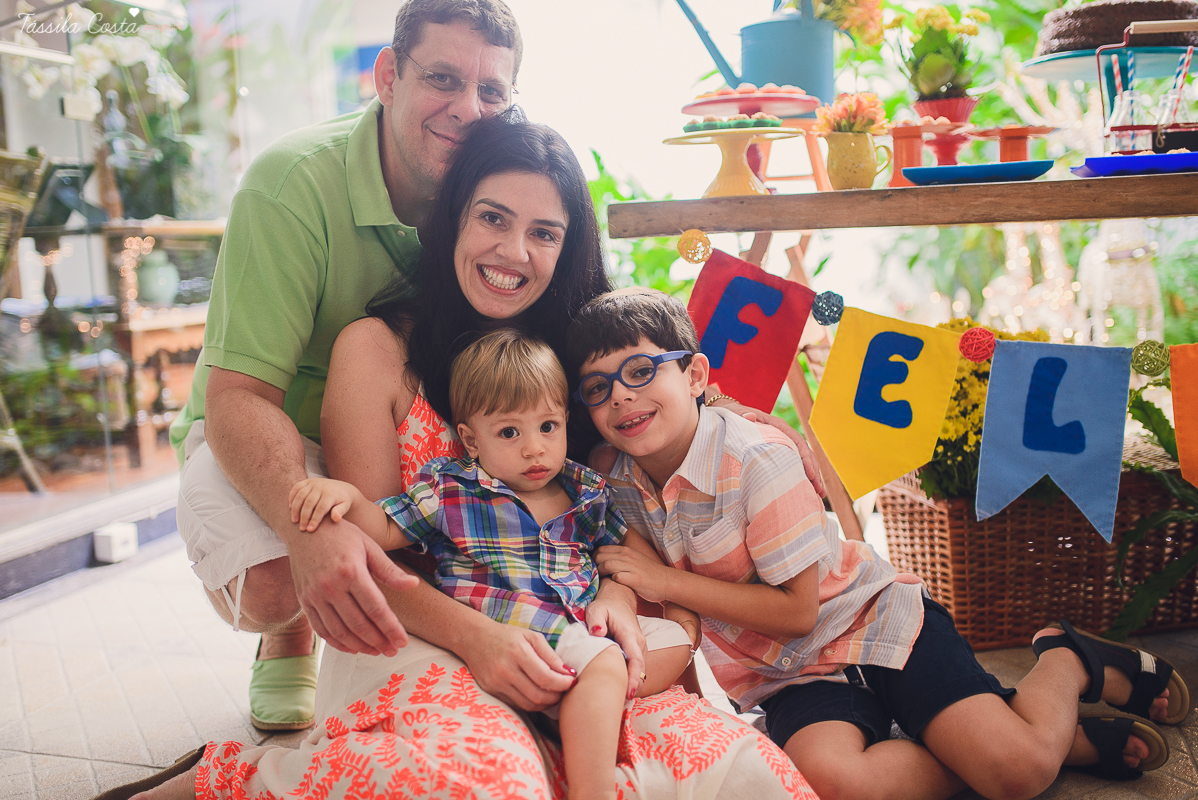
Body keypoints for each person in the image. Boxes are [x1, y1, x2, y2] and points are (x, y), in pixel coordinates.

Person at [135, 115, 825, 799]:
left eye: (544, 233)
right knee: (489, 784)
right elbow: (378, 557)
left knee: (747, 776)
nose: (514, 251)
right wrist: (482, 643)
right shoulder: (375, 349)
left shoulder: (577, 358)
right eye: (493, 218)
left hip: (568, 633)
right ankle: (236, 779)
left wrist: (728, 418)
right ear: (453, 221)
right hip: (417, 628)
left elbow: (640, 446)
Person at [565, 288, 1191, 800]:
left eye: (641, 370)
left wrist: (665, 581)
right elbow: (664, 602)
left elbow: (797, 612)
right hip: (786, 676)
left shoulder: (756, 458)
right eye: (597, 387)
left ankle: (1065, 660)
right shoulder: (613, 479)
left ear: (697, 374)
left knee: (1018, 773)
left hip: (873, 624)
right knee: (834, 782)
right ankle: (1020, 737)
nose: (620, 394)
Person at [168, 0, 527, 732]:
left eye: (491, 91)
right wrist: (307, 530)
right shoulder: (290, 183)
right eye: (443, 79)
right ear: (388, 76)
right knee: (278, 583)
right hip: (281, 433)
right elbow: (239, 398)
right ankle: (288, 633)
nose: (468, 108)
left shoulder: (501, 185)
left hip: (411, 432)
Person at [289, 329, 700, 800]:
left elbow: (621, 557)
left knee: (673, 640)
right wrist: (347, 497)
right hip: (516, 628)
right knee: (607, 662)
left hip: (581, 624)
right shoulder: (453, 490)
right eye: (509, 432)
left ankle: (574, 699)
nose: (534, 448)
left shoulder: (587, 491)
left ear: (566, 420)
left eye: (548, 427)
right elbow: (384, 528)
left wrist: (629, 596)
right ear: (470, 439)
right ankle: (593, 787)